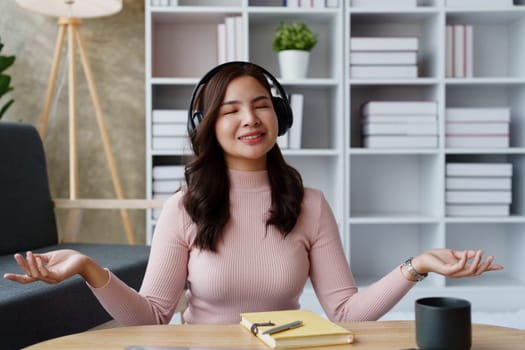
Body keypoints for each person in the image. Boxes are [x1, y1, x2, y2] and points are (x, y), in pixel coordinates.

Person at [4, 61, 503, 325]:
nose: (250, 119)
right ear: (208, 126)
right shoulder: (185, 208)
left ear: (279, 117)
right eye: (231, 110)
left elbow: (346, 312)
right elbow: (153, 316)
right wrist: (90, 271)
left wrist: (416, 266)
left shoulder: (310, 205)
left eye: (262, 105)